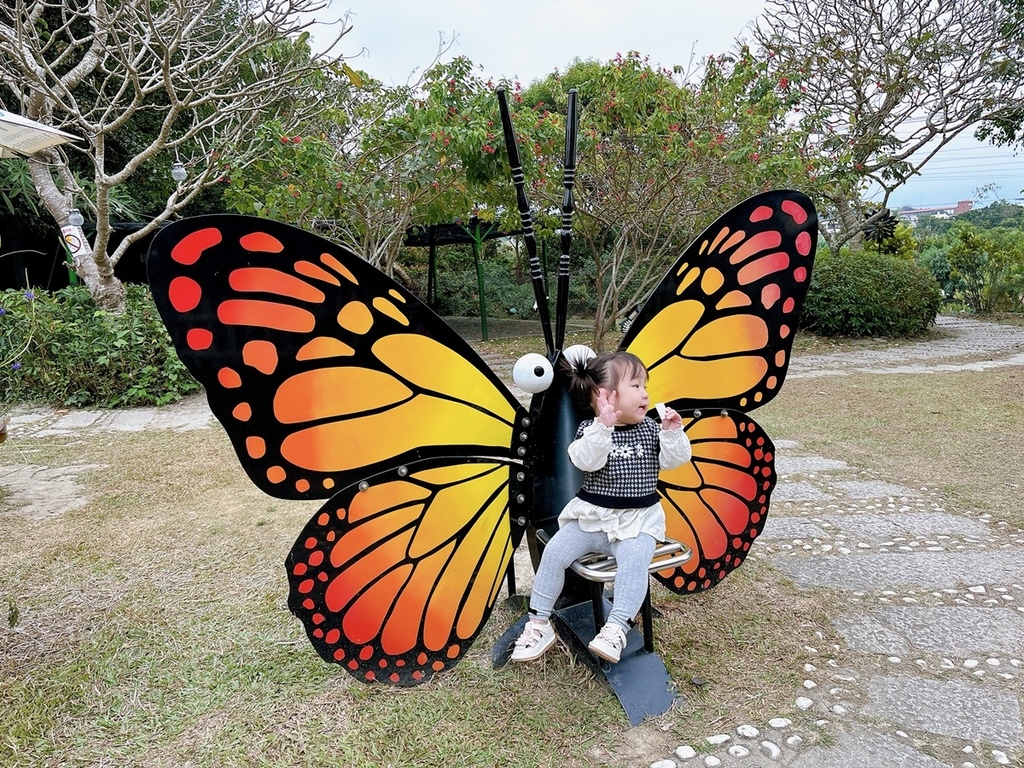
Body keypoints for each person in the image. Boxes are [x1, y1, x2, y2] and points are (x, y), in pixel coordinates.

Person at [511, 351, 692, 664]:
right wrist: (603, 428)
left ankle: (616, 628)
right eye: (635, 386)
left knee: (634, 563)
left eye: (645, 386)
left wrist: (673, 433)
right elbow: (584, 460)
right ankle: (539, 623)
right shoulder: (590, 431)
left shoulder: (651, 430)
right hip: (592, 520)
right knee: (554, 552)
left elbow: (674, 460)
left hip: (637, 523)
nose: (645, 393)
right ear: (605, 396)